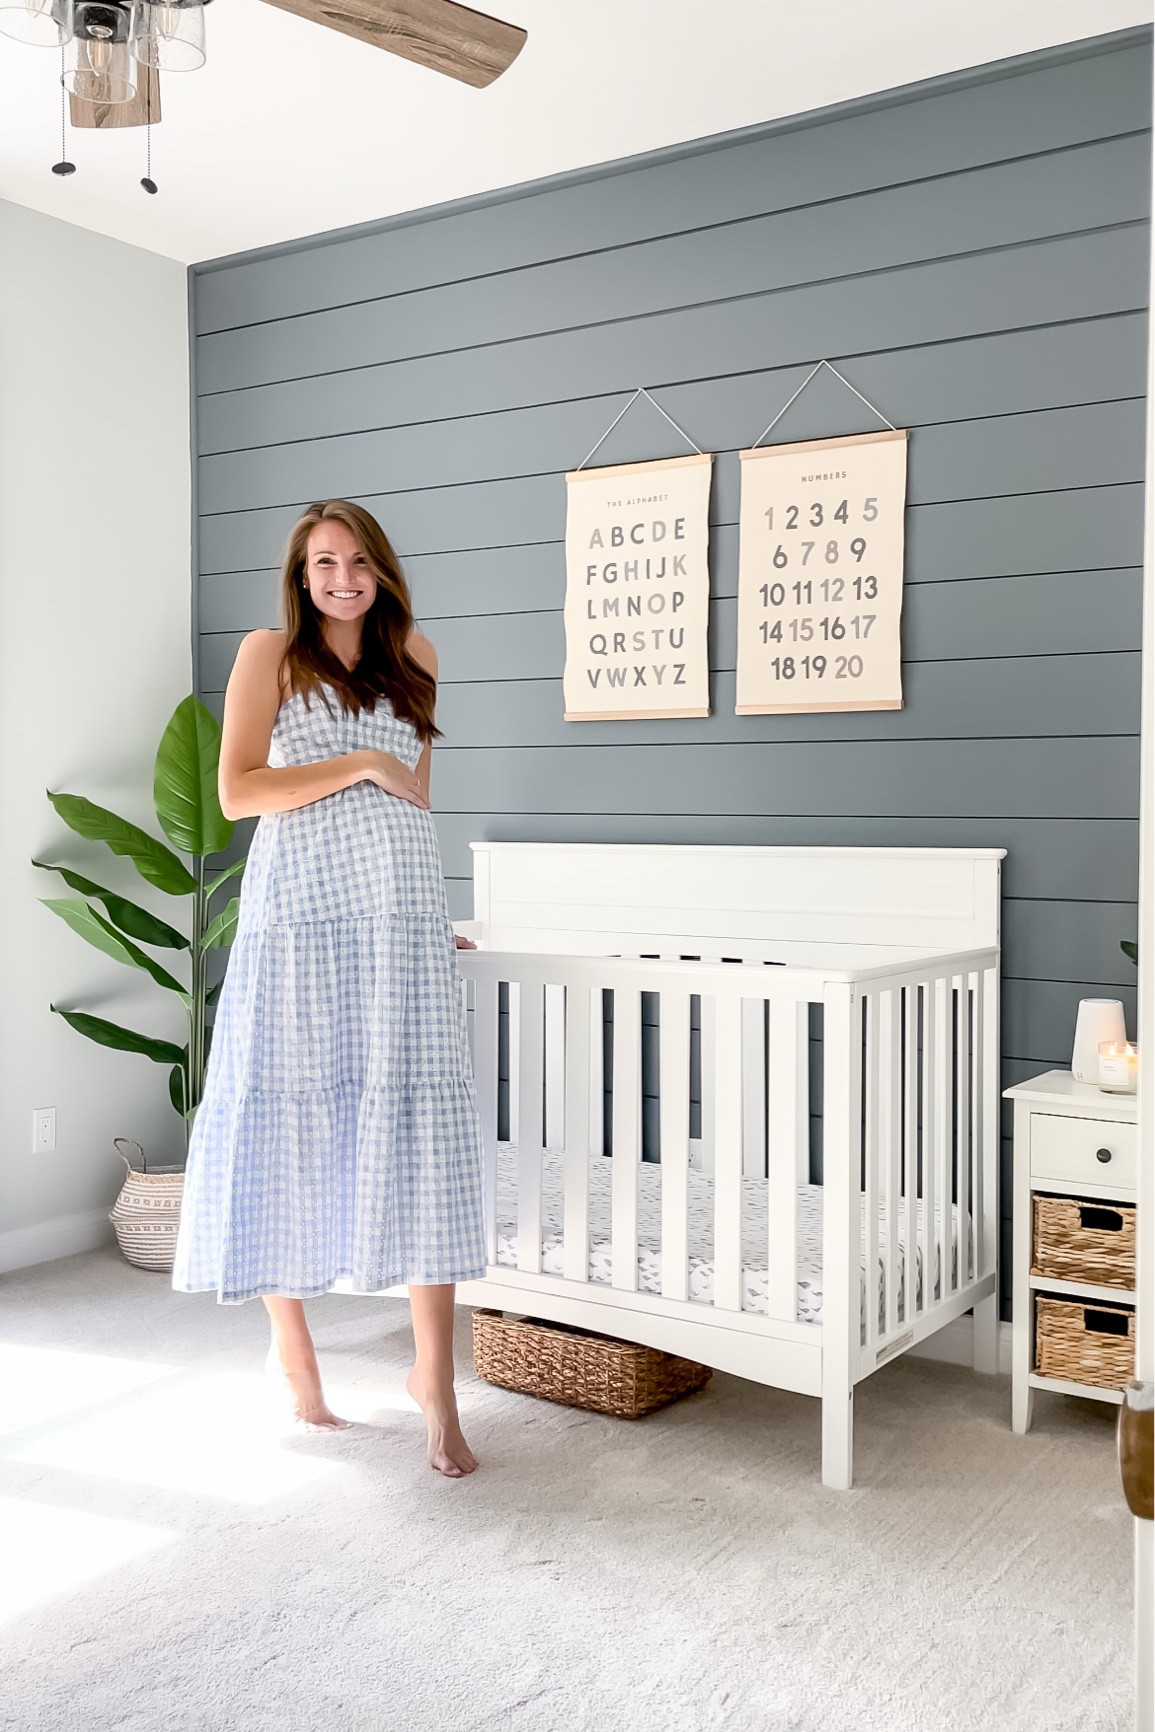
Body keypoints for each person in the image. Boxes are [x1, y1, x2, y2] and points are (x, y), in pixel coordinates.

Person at [172, 498, 486, 1478]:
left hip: (396, 916)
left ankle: (434, 1380)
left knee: (420, 1131)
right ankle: (296, 1355)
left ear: (382, 569)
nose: (340, 577)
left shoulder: (418, 654)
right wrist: (355, 758)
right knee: (285, 1117)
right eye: (322, 563)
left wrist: (431, 922)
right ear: (301, 577)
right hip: (297, 918)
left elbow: (415, 799)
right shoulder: (270, 653)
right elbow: (237, 793)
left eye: (356, 561)